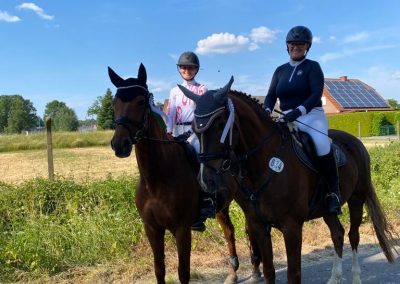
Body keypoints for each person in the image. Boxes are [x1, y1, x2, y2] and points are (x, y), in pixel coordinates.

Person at [263, 26, 341, 215]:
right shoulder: (280, 70)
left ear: (307, 46)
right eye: (292, 44)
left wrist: (298, 111)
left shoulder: (313, 67)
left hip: (311, 115)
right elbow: (271, 96)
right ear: (287, 46)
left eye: (300, 44)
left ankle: (333, 193)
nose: (296, 47)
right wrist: (266, 110)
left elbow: (315, 94)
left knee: (322, 144)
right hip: (285, 116)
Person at [166, 51, 216, 231]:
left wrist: (195, 131)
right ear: (179, 70)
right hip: (178, 130)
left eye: (191, 67)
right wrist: (168, 132)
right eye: (184, 67)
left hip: (195, 132)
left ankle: (205, 202)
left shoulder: (202, 89)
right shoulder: (174, 91)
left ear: (196, 69)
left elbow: (205, 112)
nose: (187, 70)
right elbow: (171, 113)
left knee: (199, 161)